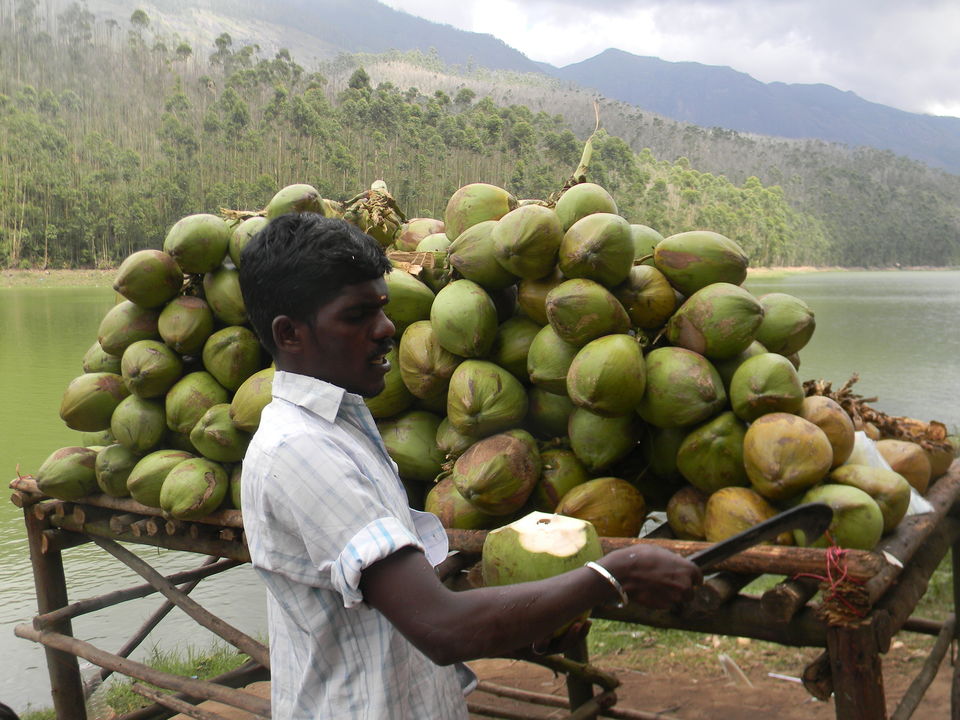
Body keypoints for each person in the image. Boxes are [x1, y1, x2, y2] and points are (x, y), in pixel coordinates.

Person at [238, 213, 702, 719]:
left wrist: (523, 626)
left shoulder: (338, 428)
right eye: (356, 316)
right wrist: (612, 575)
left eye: (383, 309)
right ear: (289, 335)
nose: (387, 330)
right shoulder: (301, 451)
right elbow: (440, 627)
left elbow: (398, 615)